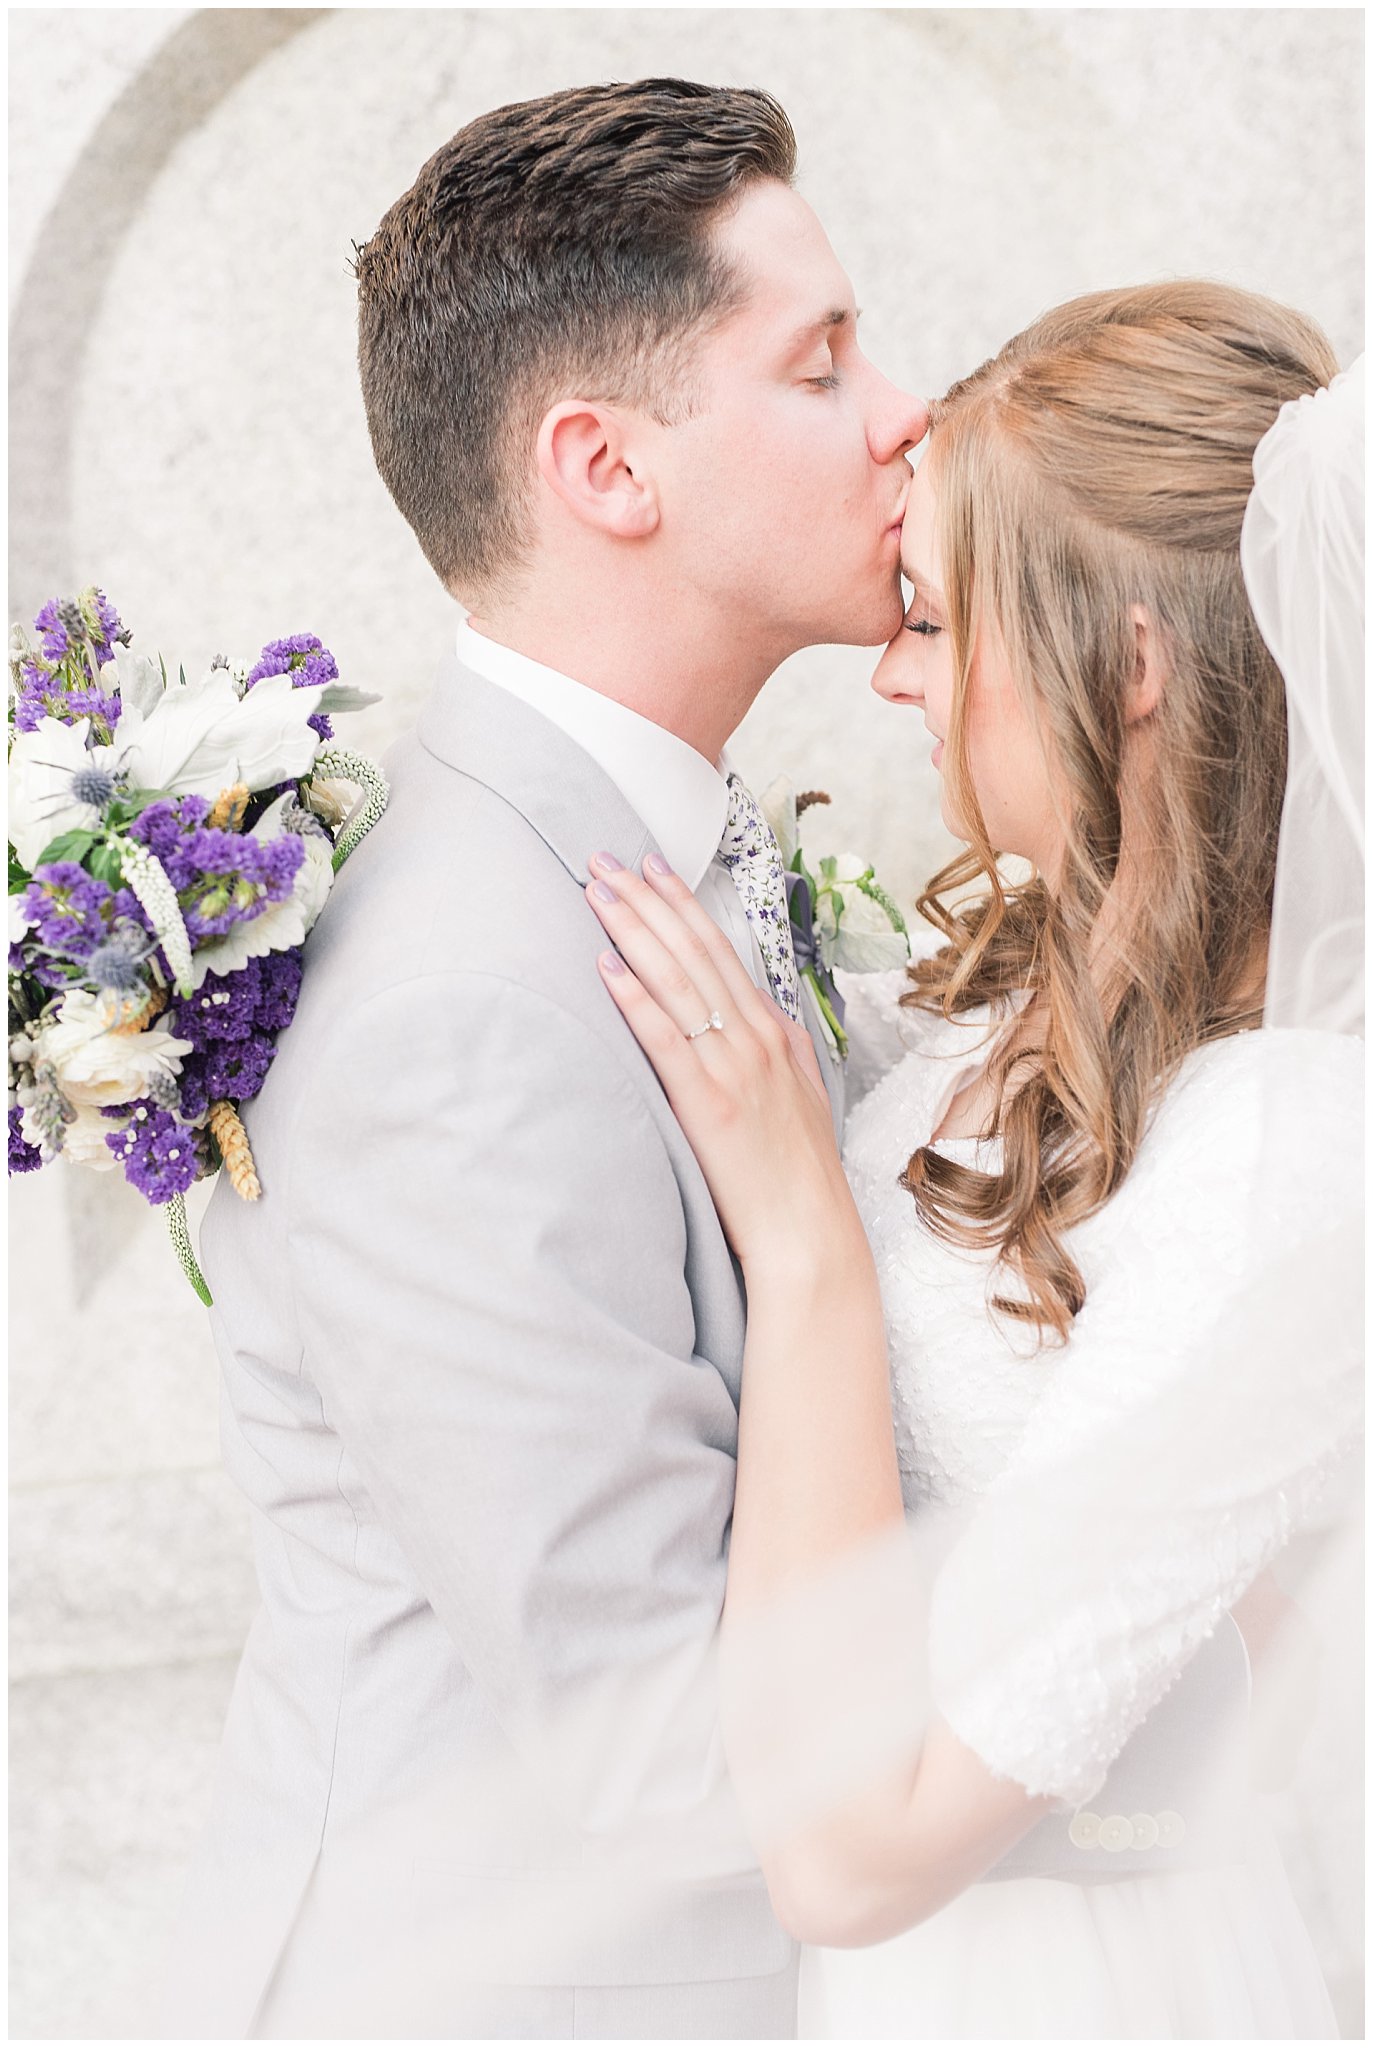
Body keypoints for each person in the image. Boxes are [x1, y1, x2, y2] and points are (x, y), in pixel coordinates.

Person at [158, 78, 926, 2040]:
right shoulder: (466, 1007)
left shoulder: (653, 858)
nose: (897, 418)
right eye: (822, 361)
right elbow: (675, 1758)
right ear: (606, 468)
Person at [585, 283, 1363, 2037]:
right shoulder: (1034, 963)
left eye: (931, 619)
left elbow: (856, 1858)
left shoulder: (1281, 1138)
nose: (886, 670)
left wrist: (807, 1260)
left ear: (1134, 667)